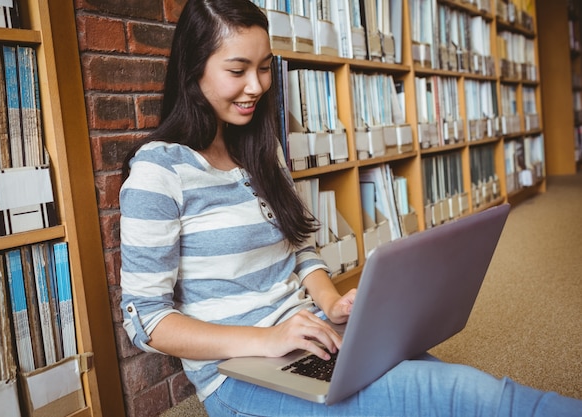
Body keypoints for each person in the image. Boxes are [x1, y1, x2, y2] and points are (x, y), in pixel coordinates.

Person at [119, 0, 582, 415]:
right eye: (237, 70)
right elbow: (148, 321)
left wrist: (332, 303)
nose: (257, 86)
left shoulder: (261, 151)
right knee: (471, 396)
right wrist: (268, 339)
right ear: (193, 69)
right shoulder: (159, 172)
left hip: (308, 335)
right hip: (238, 376)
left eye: (264, 68)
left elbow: (299, 249)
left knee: (435, 380)